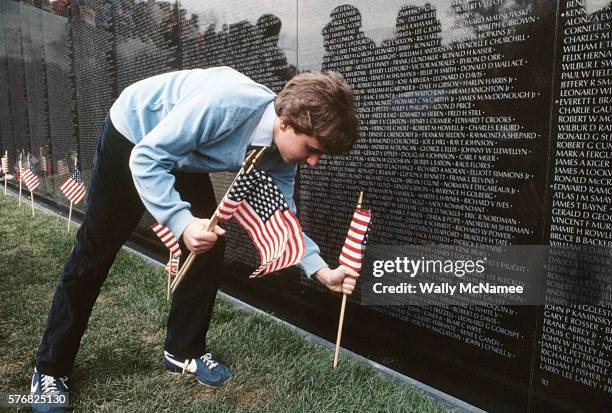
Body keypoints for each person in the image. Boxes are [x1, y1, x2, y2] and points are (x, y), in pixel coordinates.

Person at [30, 66, 360, 412]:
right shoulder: (225, 107)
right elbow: (145, 158)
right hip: (135, 136)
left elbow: (281, 217)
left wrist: (321, 271)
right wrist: (182, 223)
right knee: (95, 251)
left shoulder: (280, 153)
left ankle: (182, 351)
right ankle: (50, 369)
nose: (313, 162)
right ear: (286, 123)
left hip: (181, 154)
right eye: (311, 149)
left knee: (210, 242)